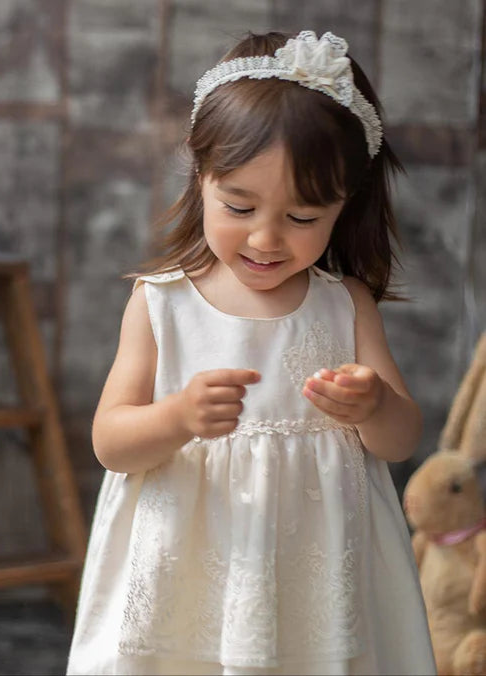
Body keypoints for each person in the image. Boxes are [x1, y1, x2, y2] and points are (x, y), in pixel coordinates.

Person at [66, 30, 437, 676]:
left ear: (343, 207)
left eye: (302, 219)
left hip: (313, 580)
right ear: (201, 176)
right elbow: (110, 442)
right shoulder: (163, 304)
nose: (267, 238)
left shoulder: (344, 304)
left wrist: (373, 403)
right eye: (239, 205)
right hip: (191, 576)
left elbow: (400, 440)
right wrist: (178, 416)